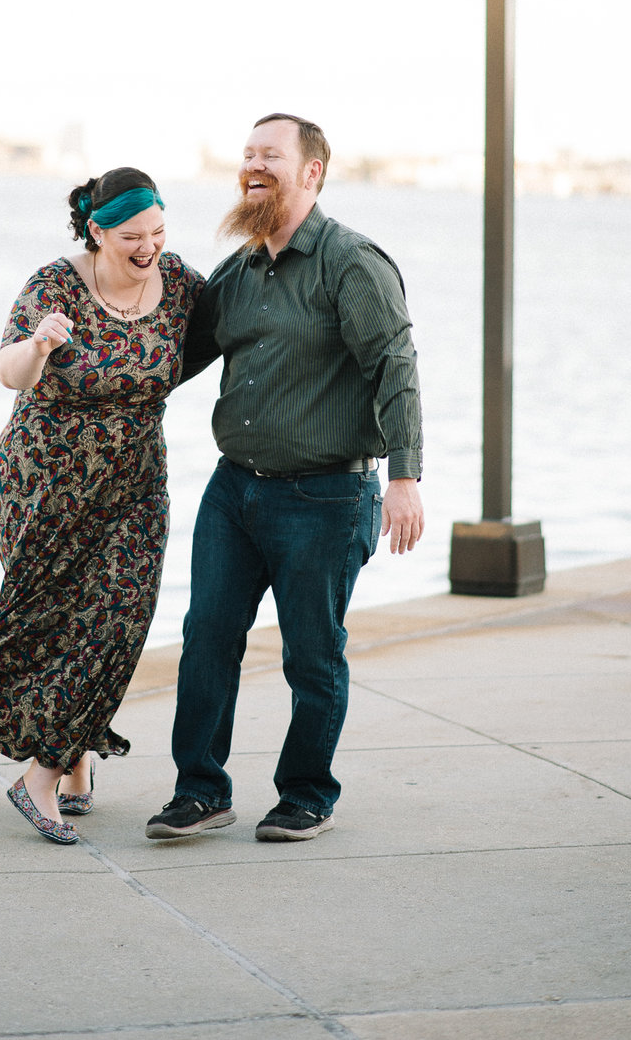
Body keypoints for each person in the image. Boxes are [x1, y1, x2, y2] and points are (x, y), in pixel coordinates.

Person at [0, 168, 202, 845]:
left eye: (158, 231)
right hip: (44, 482)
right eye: (132, 235)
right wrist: (40, 344)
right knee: (58, 626)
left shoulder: (179, 285)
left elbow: (232, 331)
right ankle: (70, 757)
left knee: (120, 619)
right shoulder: (54, 284)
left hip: (136, 484)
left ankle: (41, 774)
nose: (149, 246)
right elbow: (10, 371)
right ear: (97, 231)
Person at [146, 113, 424, 844]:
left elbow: (395, 366)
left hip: (326, 497)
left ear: (312, 172)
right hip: (233, 490)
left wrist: (405, 476)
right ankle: (200, 789)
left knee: (311, 651)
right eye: (247, 155)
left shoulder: (350, 263)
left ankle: (306, 792)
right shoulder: (237, 273)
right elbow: (170, 363)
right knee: (206, 635)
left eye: (271, 154)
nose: (253, 166)